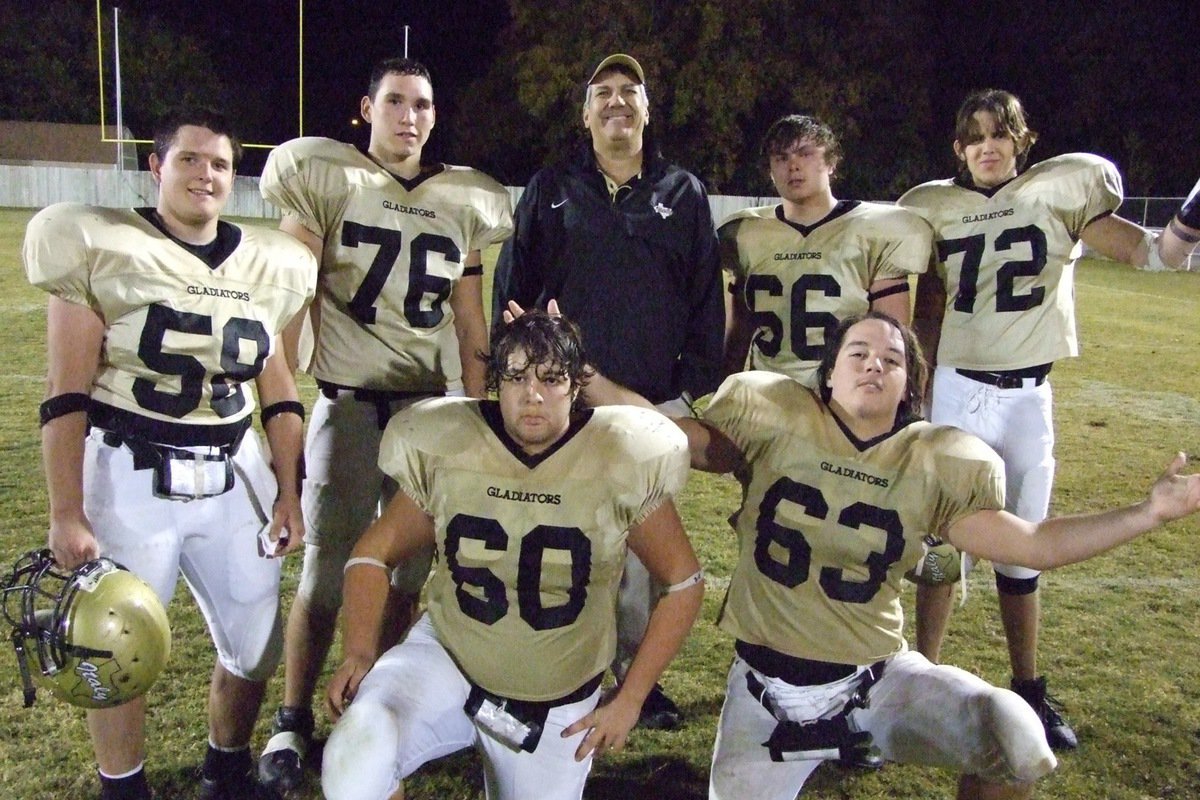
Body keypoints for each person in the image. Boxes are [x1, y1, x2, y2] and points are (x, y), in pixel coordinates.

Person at [673, 311, 1200, 800]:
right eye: (858, 353)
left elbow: (1034, 544)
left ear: (910, 386)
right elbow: (656, 441)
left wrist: (1147, 513)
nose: (874, 364)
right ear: (829, 372)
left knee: (1014, 736)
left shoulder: (933, 459)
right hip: (762, 693)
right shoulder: (771, 418)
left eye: (892, 359)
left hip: (875, 681)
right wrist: (595, 400)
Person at [22, 108, 316, 800]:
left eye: (217, 163)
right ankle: (124, 788)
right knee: (114, 643)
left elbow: (280, 394)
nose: (204, 174)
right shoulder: (100, 242)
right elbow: (65, 394)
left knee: (255, 644)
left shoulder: (267, 263)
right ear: (156, 168)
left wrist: (289, 491)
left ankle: (226, 765)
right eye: (188, 159)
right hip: (130, 467)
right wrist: (66, 511)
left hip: (231, 471)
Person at [897, 88, 1200, 750]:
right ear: (958, 148)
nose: (987, 144)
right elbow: (916, 300)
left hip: (1032, 398)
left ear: (1022, 140)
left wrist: (1190, 219)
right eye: (974, 135)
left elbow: (1157, 254)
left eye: (999, 132)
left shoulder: (1060, 195)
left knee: (1024, 551)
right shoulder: (933, 209)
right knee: (942, 546)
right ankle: (920, 677)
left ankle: (1029, 685)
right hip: (958, 391)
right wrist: (914, 393)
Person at [318, 310, 704, 800]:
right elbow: (373, 554)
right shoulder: (450, 443)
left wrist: (631, 699)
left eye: (550, 378)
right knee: (357, 756)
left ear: (575, 385)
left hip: (555, 697)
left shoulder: (620, 453)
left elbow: (684, 582)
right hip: (448, 658)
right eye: (516, 377)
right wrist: (358, 649)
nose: (533, 394)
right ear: (494, 382)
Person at [256, 56, 513, 791]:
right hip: (349, 403)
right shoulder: (327, 177)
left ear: (435, 115)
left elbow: (469, 319)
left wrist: (481, 410)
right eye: (395, 101)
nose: (410, 116)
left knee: (409, 569)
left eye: (423, 104)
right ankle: (292, 717)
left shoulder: (464, 197)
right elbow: (291, 290)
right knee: (326, 571)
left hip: (429, 410)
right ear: (366, 108)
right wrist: (281, 398)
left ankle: (379, 696)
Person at [492, 52, 724, 729]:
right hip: (567, 403)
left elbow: (705, 292)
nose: (617, 102)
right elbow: (514, 289)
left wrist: (691, 382)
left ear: (648, 110)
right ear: (585, 112)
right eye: (603, 93)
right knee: (567, 536)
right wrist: (519, 372)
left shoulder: (684, 191)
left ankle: (636, 679)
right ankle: (565, 668)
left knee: (648, 554)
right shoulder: (552, 187)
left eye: (630, 92)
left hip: (650, 402)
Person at [721, 113, 930, 384]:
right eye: (781, 157)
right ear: (770, 170)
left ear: (831, 162)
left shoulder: (872, 229)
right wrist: (724, 384)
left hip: (844, 394)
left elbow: (891, 337)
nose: (793, 166)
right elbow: (739, 330)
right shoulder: (747, 232)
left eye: (805, 154)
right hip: (768, 392)